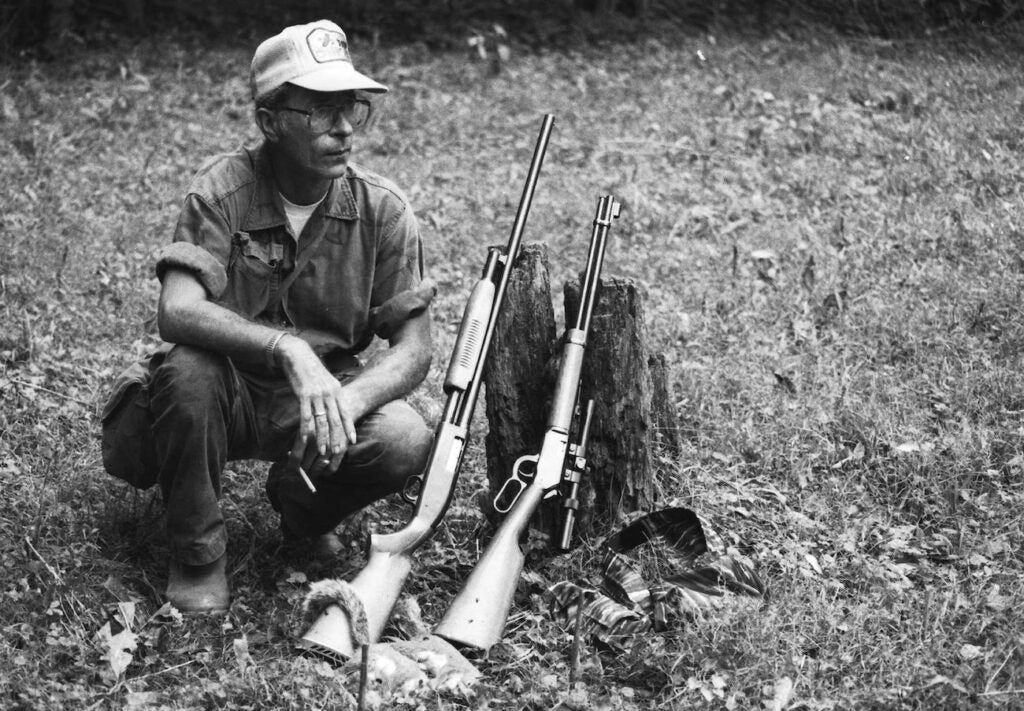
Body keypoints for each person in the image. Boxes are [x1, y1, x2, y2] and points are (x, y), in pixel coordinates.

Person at [105, 19, 436, 613]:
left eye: (352, 108)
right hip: (222, 387)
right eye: (320, 110)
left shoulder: (383, 211)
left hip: (319, 396)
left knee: (404, 437)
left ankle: (301, 509)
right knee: (188, 371)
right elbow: (177, 311)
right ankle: (197, 555)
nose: (343, 128)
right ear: (270, 121)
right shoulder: (222, 191)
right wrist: (287, 348)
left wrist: (349, 403)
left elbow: (414, 348)